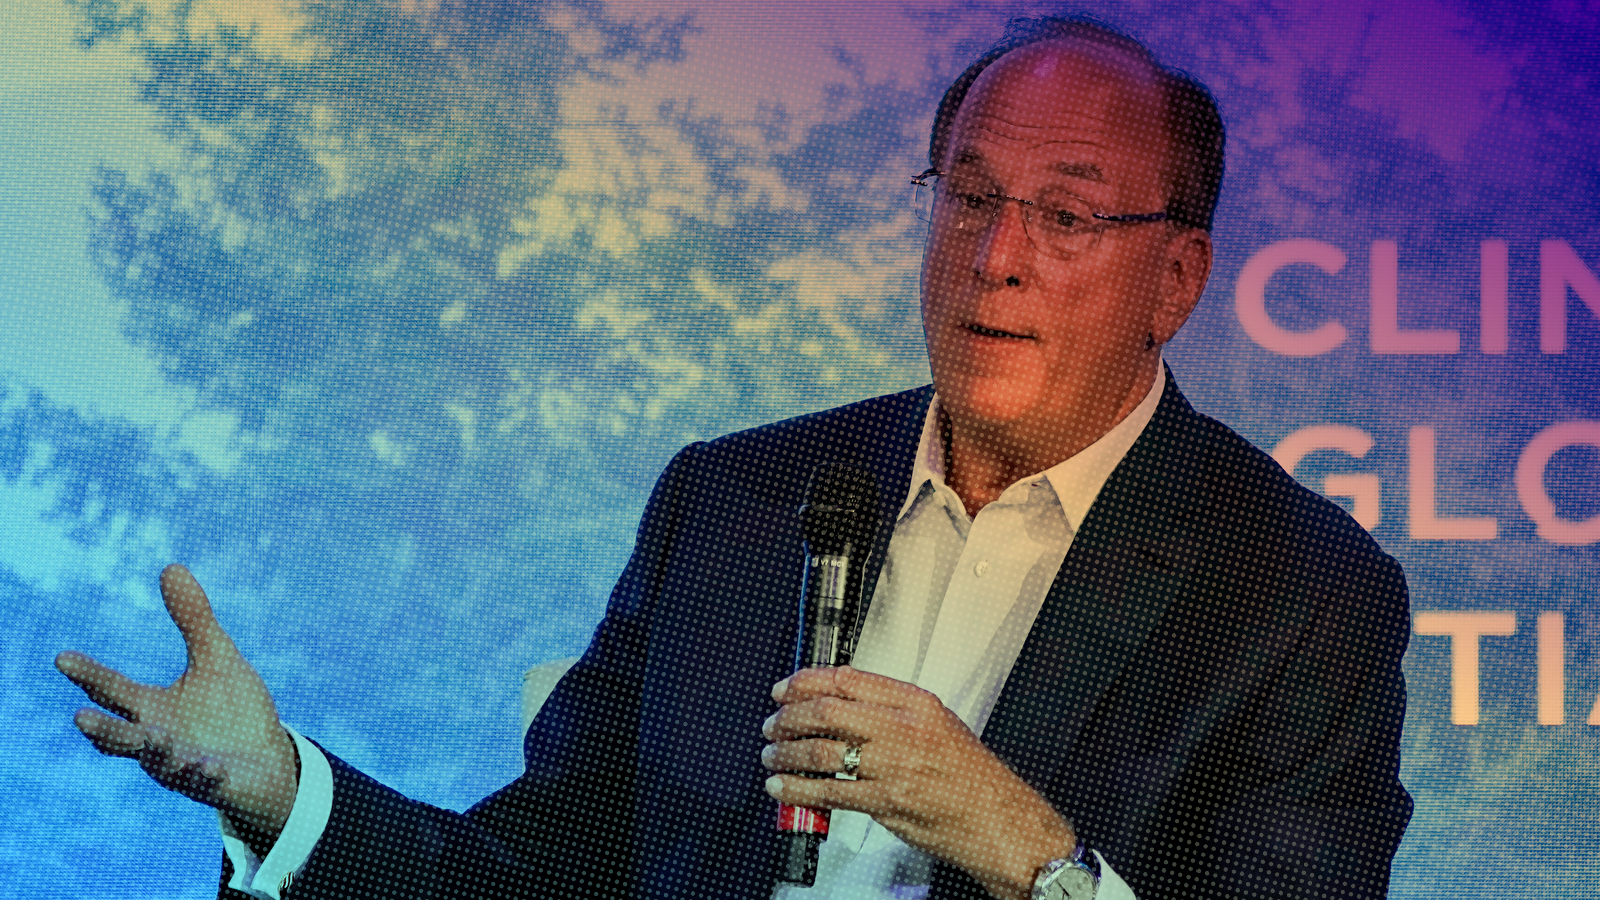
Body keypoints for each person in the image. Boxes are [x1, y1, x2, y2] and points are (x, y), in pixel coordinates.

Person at [56, 16, 1413, 900]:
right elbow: (547, 873)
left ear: (1174, 280)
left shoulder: (1297, 595)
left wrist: (1018, 843)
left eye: (1064, 217)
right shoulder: (741, 498)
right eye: (972, 198)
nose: (996, 256)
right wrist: (286, 792)